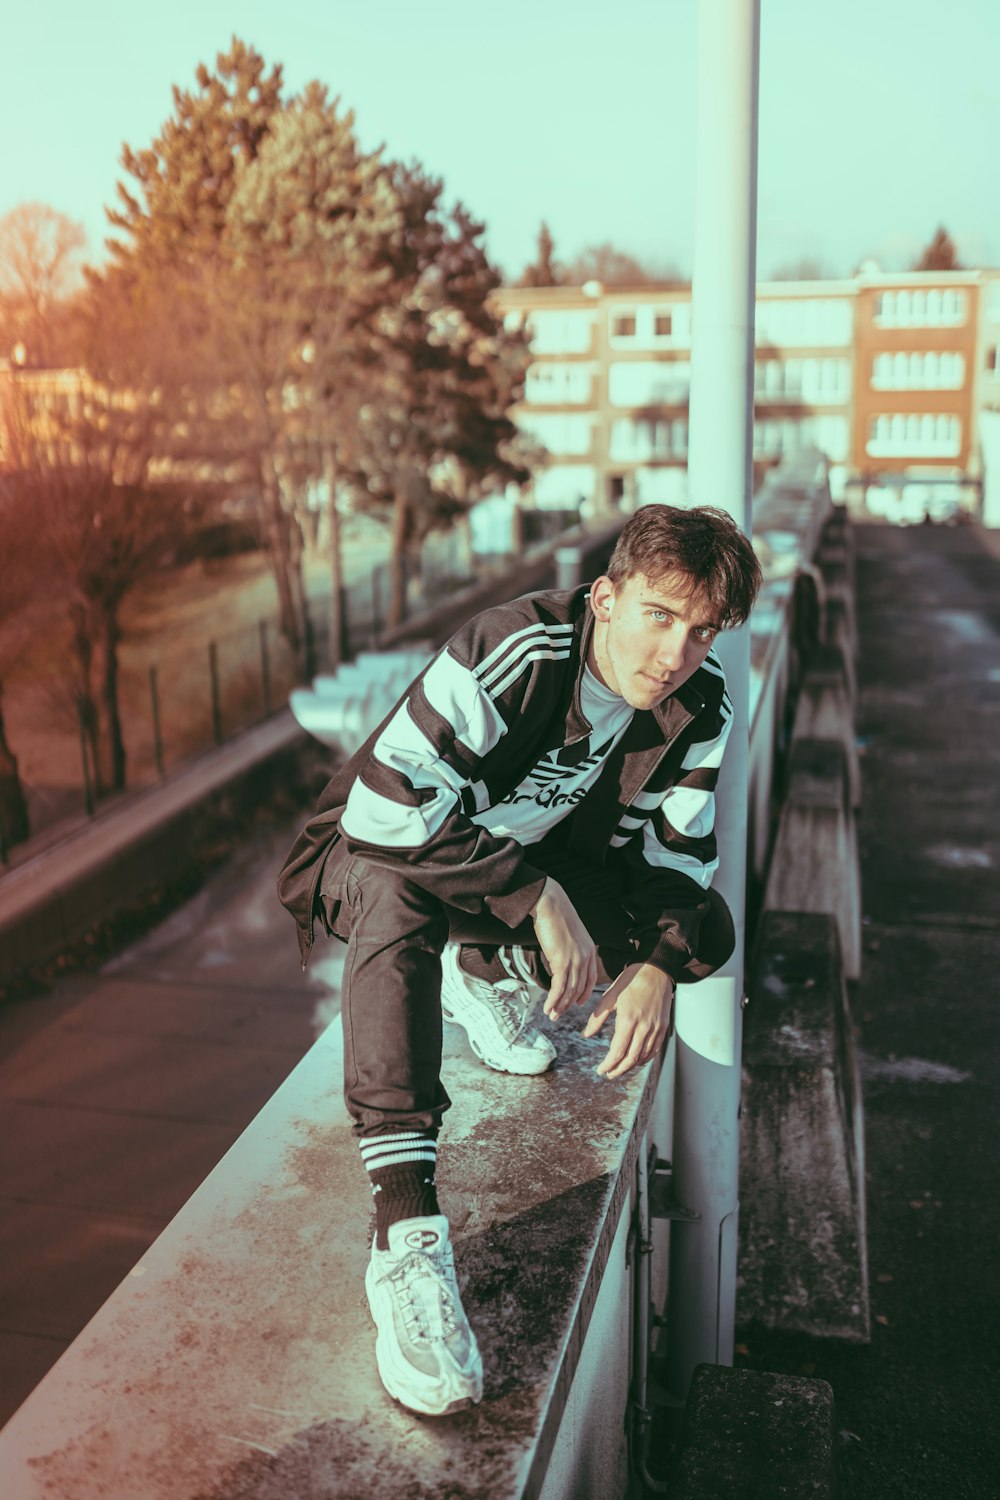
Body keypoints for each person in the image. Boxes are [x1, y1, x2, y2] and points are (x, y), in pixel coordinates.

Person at [278, 503, 761, 1418]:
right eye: (659, 616)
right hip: (377, 852)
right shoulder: (515, 649)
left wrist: (657, 965)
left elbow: (678, 868)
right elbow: (386, 815)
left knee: (705, 936)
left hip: (526, 865)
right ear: (607, 598)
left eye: (702, 633)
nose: (675, 654)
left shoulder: (698, 705)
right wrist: (534, 900)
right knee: (397, 894)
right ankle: (405, 1233)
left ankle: (478, 965)